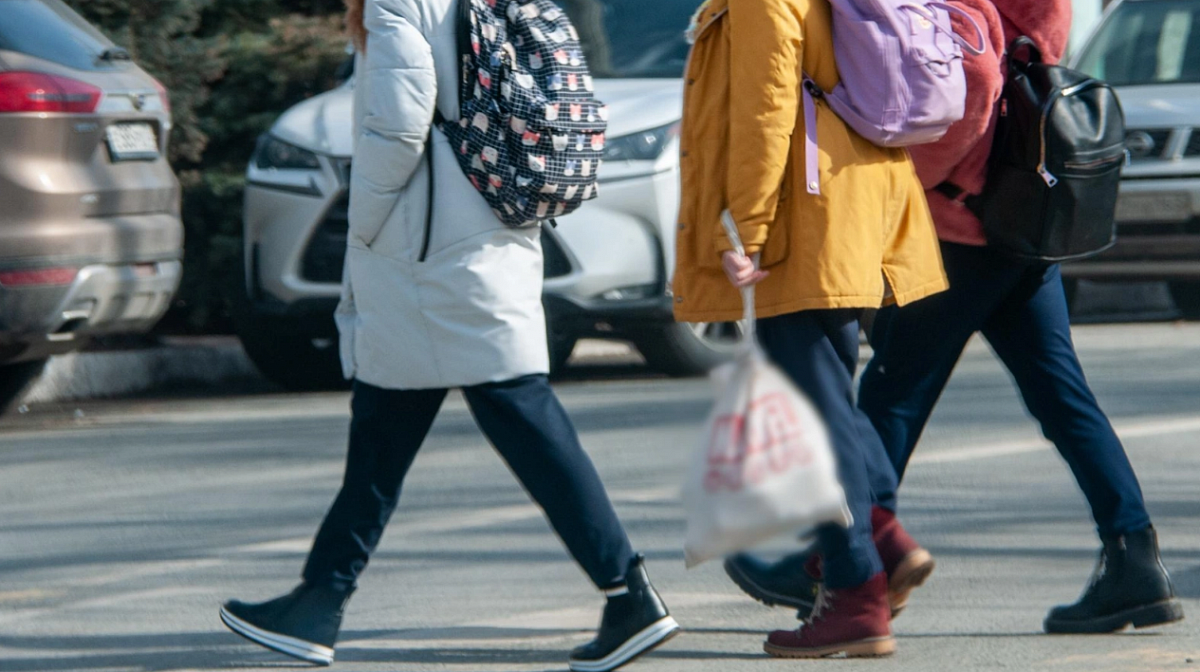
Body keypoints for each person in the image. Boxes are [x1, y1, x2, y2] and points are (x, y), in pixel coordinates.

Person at [217, 1, 679, 670]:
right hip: (480, 238)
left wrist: (366, 221)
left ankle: (629, 593)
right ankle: (319, 600)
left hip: (427, 254)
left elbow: (402, 118)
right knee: (387, 428)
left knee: (518, 417)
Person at [724, 0, 1185, 636]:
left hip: (963, 230)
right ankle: (1135, 557)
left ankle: (845, 562)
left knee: (889, 396)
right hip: (1022, 220)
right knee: (1059, 396)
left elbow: (968, 87)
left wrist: (900, 183)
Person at [674, 0, 948, 658]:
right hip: (853, 199)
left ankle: (855, 591)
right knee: (828, 395)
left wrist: (749, 226)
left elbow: (765, 112)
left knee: (814, 413)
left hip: (805, 212)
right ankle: (880, 534)